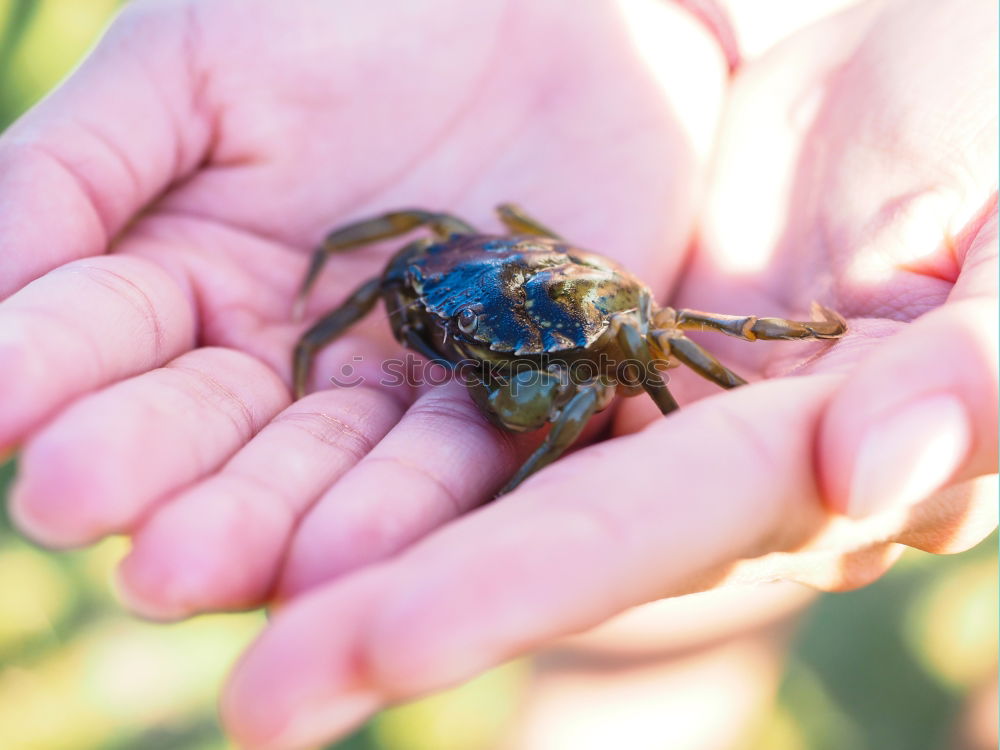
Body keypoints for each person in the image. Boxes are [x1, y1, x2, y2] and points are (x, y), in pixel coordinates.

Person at [1, 0, 995, 747]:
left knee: (695, 431)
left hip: (615, 300)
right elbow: (412, 259)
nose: (436, 336)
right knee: (676, 554)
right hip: (521, 240)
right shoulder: (447, 251)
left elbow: (681, 343)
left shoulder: (608, 331)